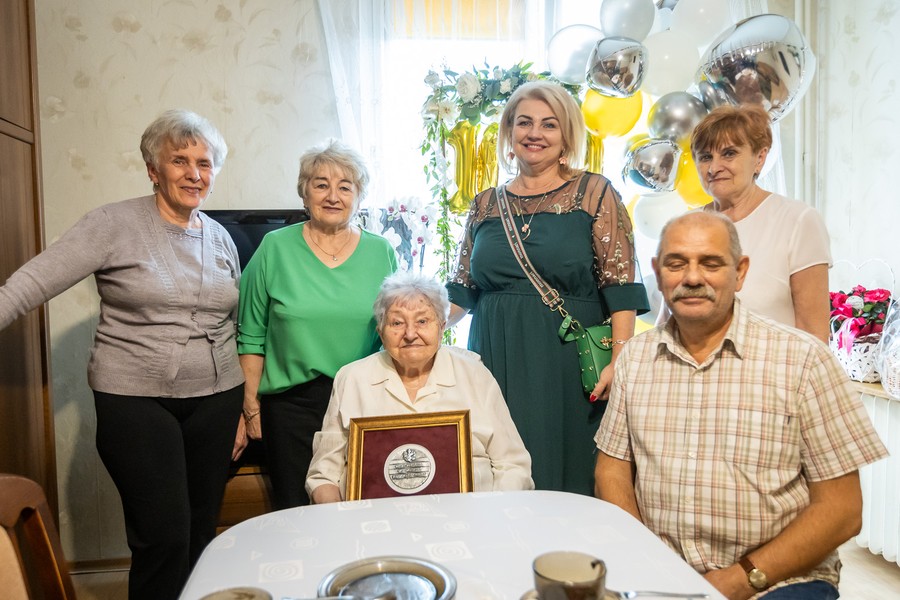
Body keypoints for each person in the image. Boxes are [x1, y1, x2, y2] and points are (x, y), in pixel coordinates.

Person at [0, 109, 244, 600]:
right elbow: (30, 283)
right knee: (163, 537)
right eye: (179, 160)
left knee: (201, 534)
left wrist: (242, 409)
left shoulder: (219, 236)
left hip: (217, 400)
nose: (194, 173)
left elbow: (228, 325)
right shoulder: (112, 224)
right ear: (153, 169)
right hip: (136, 402)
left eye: (204, 163)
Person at [595, 211, 888, 600]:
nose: (692, 277)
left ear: (741, 272)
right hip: (663, 577)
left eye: (711, 263)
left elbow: (843, 509)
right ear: (658, 273)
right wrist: (649, 561)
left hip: (778, 580)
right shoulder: (635, 358)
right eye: (676, 263)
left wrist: (740, 578)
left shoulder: (803, 360)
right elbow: (612, 469)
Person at [446, 81, 648, 495]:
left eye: (549, 124)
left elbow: (620, 285)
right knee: (497, 474)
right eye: (524, 123)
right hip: (494, 357)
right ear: (509, 131)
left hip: (567, 363)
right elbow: (462, 292)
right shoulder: (484, 204)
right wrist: (412, 326)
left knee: (566, 476)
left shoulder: (594, 193)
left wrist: (620, 360)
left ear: (566, 135)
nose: (534, 133)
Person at [238, 139, 398, 510]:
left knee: (363, 507)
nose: (333, 196)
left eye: (345, 187)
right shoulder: (273, 248)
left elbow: (394, 333)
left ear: (359, 196)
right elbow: (250, 335)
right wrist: (251, 408)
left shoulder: (382, 252)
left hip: (363, 401)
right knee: (295, 510)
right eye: (321, 184)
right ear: (305, 192)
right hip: (290, 408)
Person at [306, 271, 533, 502]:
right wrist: (342, 517)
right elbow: (323, 475)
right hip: (374, 520)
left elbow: (513, 465)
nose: (410, 334)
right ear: (381, 332)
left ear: (442, 327)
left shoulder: (474, 375)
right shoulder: (352, 379)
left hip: (469, 518)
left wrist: (492, 515)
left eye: (422, 321)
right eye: (397, 323)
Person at [692, 104, 831, 342]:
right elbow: (668, 322)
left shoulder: (798, 221)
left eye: (729, 153)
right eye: (706, 157)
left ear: (759, 158)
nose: (714, 168)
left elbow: (814, 337)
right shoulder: (685, 226)